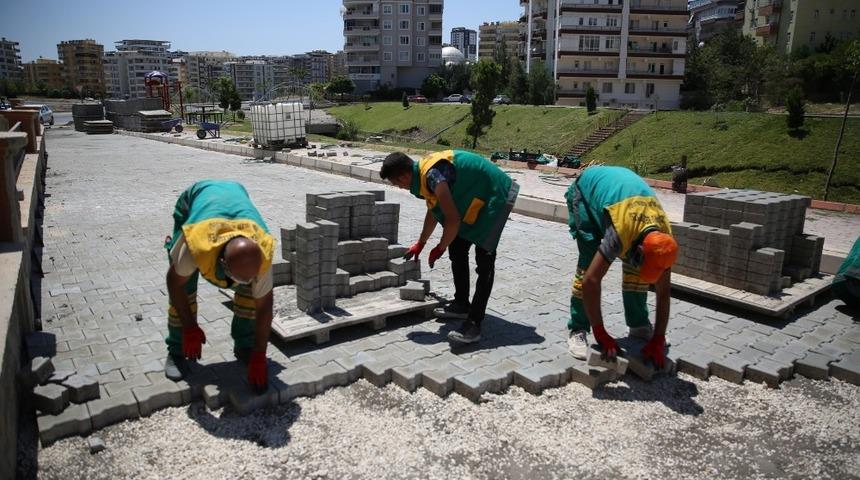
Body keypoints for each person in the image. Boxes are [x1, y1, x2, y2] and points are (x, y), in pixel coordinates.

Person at [380, 150, 519, 344]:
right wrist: (421, 243)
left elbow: (452, 219)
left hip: (495, 195)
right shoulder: (423, 176)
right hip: (475, 195)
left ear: (403, 176)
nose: (400, 187)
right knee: (458, 248)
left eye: (397, 183)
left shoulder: (433, 176)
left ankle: (474, 323)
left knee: (484, 263)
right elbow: (434, 210)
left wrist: (440, 247)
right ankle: (462, 304)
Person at [163, 180, 275, 393]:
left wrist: (259, 354)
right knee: (184, 286)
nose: (248, 282)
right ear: (223, 264)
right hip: (195, 203)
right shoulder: (195, 244)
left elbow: (264, 307)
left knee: (252, 294)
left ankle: (245, 345)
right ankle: (176, 350)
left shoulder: (262, 252)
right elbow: (173, 283)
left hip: (235, 197)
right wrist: (189, 328)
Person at [565, 166, 678, 368]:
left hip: (625, 198)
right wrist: (600, 332)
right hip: (586, 192)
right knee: (588, 265)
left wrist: (658, 337)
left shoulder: (664, 241)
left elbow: (663, 292)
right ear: (641, 249)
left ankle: (639, 325)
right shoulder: (620, 231)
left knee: (636, 271)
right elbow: (592, 281)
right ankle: (578, 329)